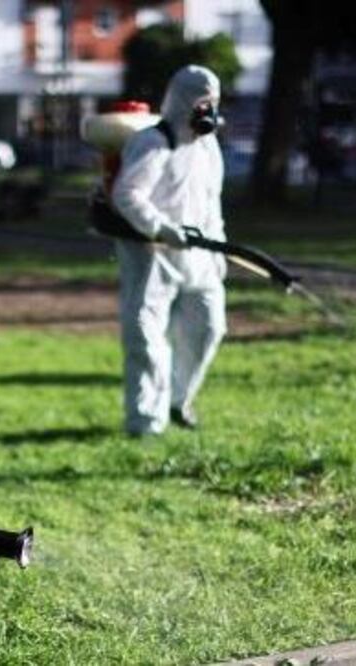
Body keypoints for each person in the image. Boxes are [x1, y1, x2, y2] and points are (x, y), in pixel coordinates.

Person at [111, 65, 227, 436]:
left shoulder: (208, 147)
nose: (207, 110)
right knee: (145, 337)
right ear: (182, 101)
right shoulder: (152, 142)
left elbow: (212, 203)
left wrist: (219, 251)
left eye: (212, 102)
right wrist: (161, 227)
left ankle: (179, 399)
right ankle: (145, 423)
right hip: (151, 253)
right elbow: (127, 194)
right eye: (201, 101)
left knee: (209, 328)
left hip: (200, 254)